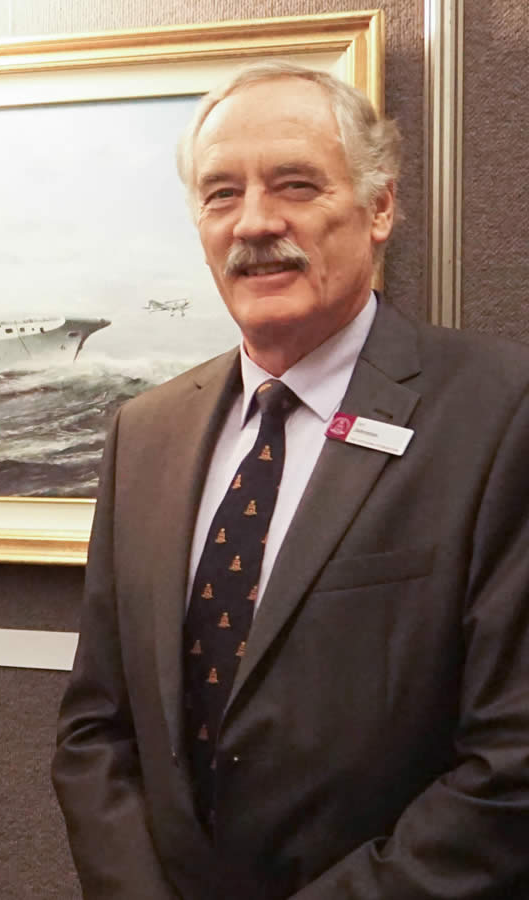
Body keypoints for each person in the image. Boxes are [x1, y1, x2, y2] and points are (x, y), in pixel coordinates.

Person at [53, 60, 529, 899]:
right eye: (221, 193)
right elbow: (97, 729)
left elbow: (512, 764)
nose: (254, 223)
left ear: (380, 207)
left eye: (296, 185)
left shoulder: (500, 415)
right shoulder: (144, 433)